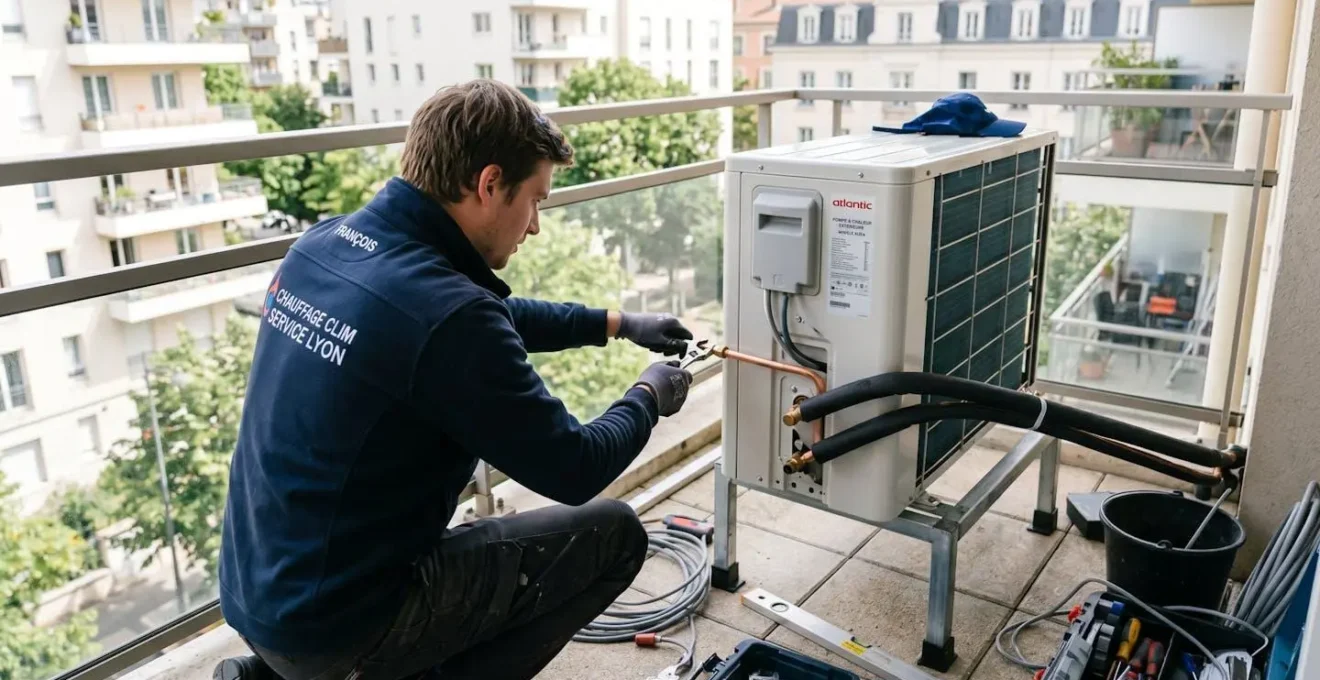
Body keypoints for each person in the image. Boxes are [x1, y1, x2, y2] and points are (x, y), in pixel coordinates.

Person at [214, 79, 696, 680]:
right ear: (489, 184)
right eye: (535, 200)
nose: (535, 225)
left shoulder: (322, 245)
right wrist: (647, 396)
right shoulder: (449, 315)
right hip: (340, 624)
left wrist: (614, 323)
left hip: (256, 593)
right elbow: (575, 468)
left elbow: (480, 318)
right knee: (614, 536)